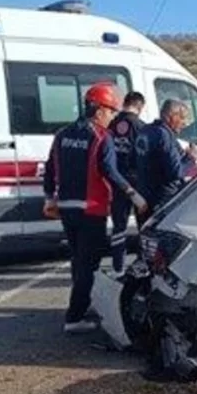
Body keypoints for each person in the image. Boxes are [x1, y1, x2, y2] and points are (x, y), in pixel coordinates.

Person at [43, 82, 147, 334]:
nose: (113, 117)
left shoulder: (62, 135)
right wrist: (134, 195)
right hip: (92, 210)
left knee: (78, 259)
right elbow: (110, 172)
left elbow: (49, 169)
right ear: (99, 109)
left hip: (67, 209)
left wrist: (49, 198)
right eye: (111, 111)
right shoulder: (102, 137)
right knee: (89, 264)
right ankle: (75, 317)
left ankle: (81, 302)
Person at [107, 91, 147, 274]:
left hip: (116, 181)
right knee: (144, 225)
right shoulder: (141, 127)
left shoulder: (111, 124)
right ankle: (144, 262)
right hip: (137, 182)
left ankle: (117, 265)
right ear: (140, 106)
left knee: (119, 226)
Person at [135, 99, 197, 214]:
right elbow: (176, 172)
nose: (185, 123)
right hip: (163, 199)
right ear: (170, 116)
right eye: (182, 118)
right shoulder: (164, 135)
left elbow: (133, 161)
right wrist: (191, 158)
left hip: (144, 196)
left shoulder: (145, 130)